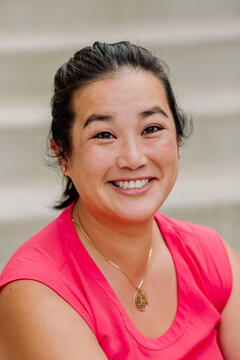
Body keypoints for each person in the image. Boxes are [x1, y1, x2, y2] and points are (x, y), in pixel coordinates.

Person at [0, 41, 239, 360]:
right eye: (104, 135)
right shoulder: (37, 291)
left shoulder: (210, 255)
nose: (133, 157)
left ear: (178, 139)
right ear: (63, 156)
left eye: (151, 128)